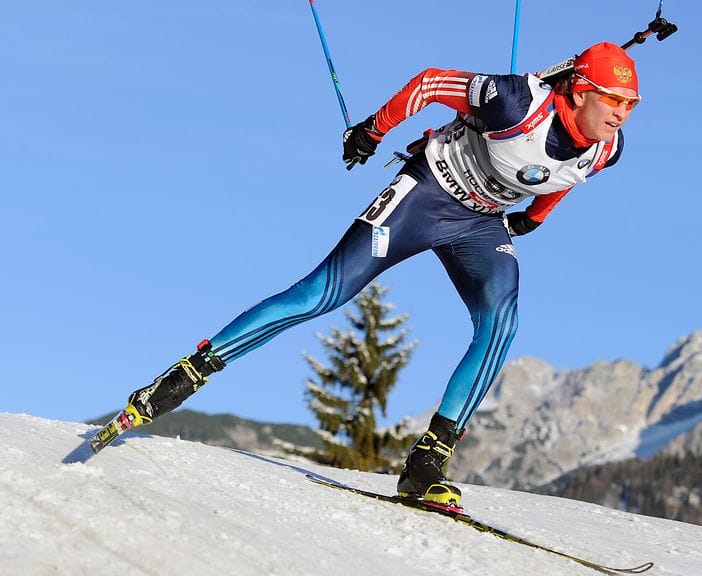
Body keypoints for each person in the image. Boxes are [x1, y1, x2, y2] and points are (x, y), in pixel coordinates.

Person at [124, 41, 641, 507]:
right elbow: (432, 81)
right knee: (324, 292)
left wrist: (533, 217)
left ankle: (427, 463)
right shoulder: (515, 102)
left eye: (630, 105)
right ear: (577, 91)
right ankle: (190, 372)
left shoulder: (608, 148)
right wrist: (373, 129)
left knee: (501, 323)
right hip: (427, 193)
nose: (622, 114)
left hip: (480, 223)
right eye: (614, 100)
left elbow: (565, 173)